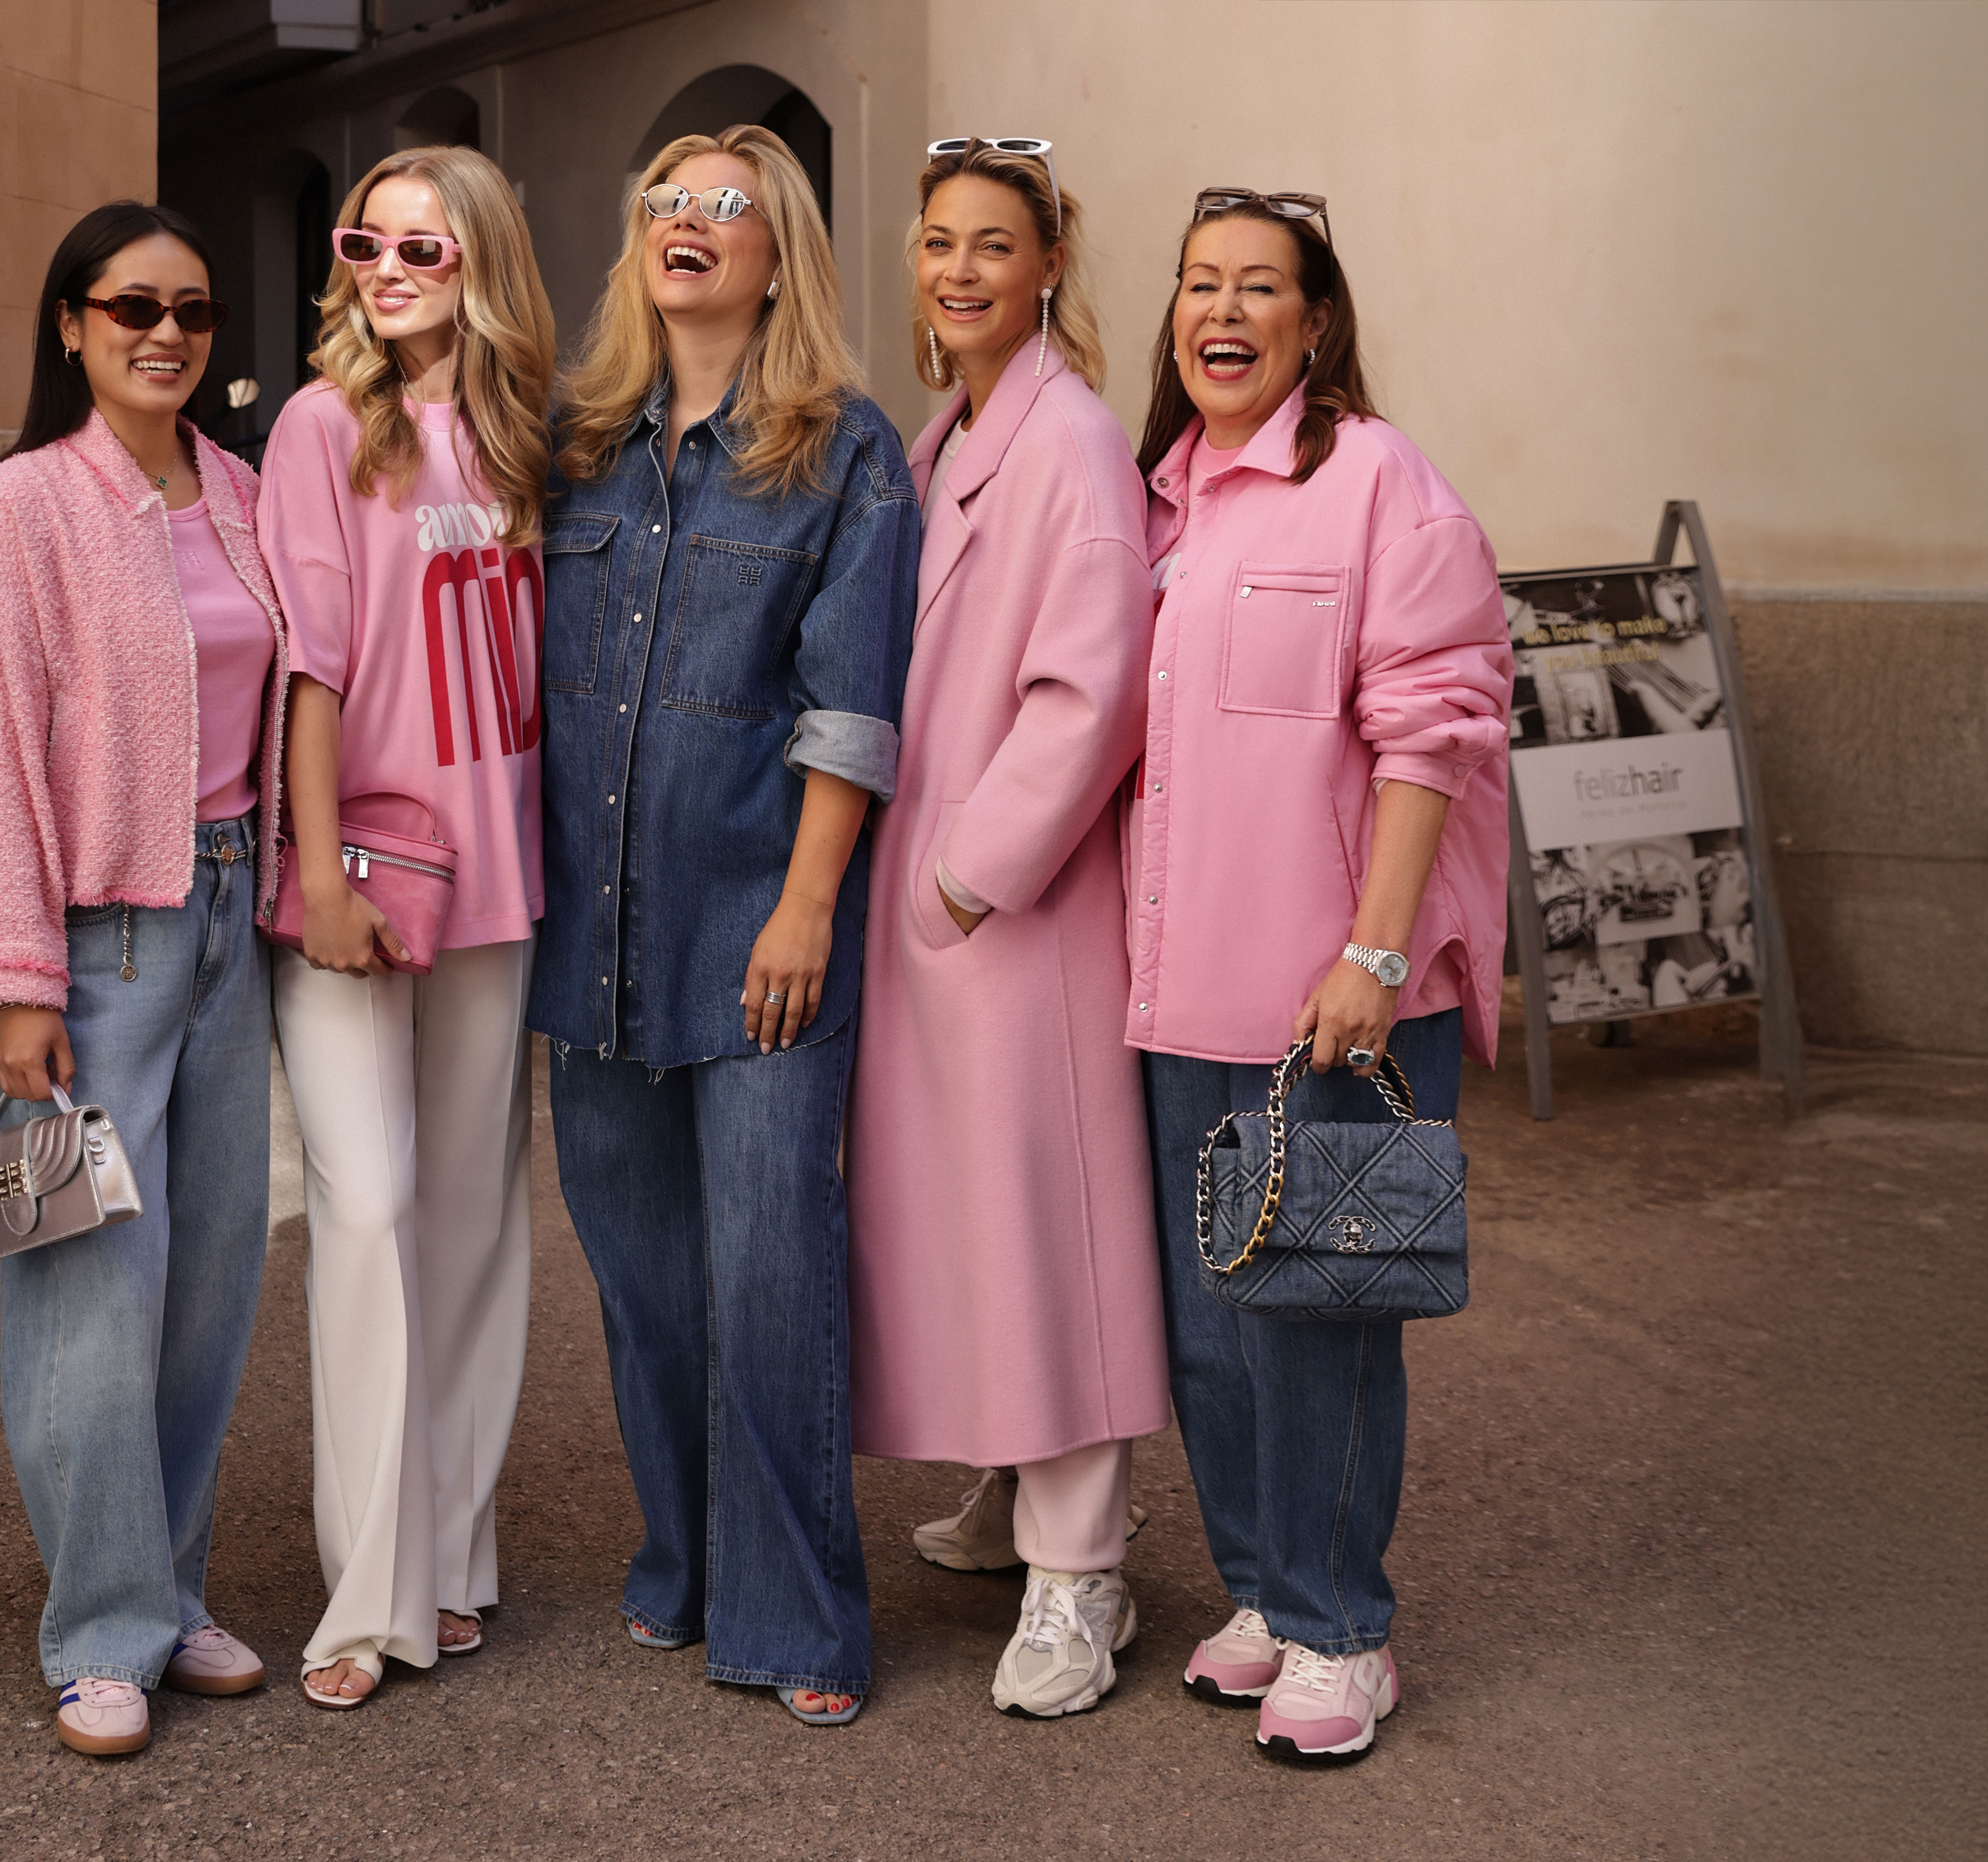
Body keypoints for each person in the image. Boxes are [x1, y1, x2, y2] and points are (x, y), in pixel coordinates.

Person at [532, 124, 919, 1728]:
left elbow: (847, 710)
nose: (688, 225)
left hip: (757, 923)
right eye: (664, 204)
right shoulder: (568, 442)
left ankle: (797, 1616)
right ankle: (683, 1563)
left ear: (777, 258)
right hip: (590, 933)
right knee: (641, 1276)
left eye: (726, 209)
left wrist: (808, 906)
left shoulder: (844, 452)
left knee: (769, 1275)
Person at [1129, 187, 1513, 1763]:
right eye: (1197, 285)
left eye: (1257, 289)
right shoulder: (1166, 499)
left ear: (1313, 321)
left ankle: (1344, 1627)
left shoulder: (1378, 485)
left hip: (1328, 996)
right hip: (1177, 984)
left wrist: (1371, 948)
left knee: (1326, 1316)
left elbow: (1431, 730)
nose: (1221, 312)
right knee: (1216, 1313)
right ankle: (1267, 1594)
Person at [0, 200, 289, 1759]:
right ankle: (96, 1628)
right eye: (133, 306)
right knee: (90, 1286)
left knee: (210, 1276)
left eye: (195, 312)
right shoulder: (26, 502)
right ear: (73, 324)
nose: (167, 333)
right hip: (101, 936)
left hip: (228, 914)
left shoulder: (239, 490)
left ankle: (166, 1589)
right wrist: (18, 970)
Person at [844, 137, 1166, 1719]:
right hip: (941, 901)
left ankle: (1079, 1567)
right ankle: (1010, 1482)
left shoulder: (1071, 442)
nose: (957, 269)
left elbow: (1090, 689)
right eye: (934, 244)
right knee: (964, 1214)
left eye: (990, 245)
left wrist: (970, 872)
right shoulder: (948, 431)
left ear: (1046, 267)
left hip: (1006, 911)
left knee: (1045, 1227)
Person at [255, 147, 556, 1710]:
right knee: (364, 1211)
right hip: (357, 872)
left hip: (496, 870)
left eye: (420, 249)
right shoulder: (321, 424)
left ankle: (446, 1549)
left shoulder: (519, 432)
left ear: (479, 263)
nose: (382, 268)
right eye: (364, 242)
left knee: (474, 1216)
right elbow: (308, 664)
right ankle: (365, 1598)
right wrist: (315, 876)